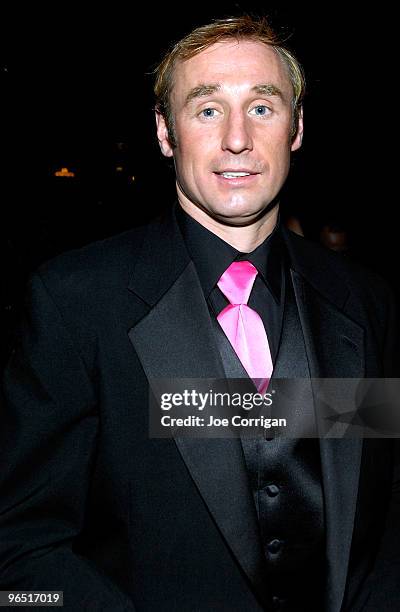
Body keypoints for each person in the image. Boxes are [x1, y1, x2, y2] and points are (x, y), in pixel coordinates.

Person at [0, 15, 399, 612]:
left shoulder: (365, 302)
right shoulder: (76, 302)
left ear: (296, 126)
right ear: (165, 132)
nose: (236, 138)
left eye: (262, 108)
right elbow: (20, 559)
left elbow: (383, 528)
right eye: (207, 109)